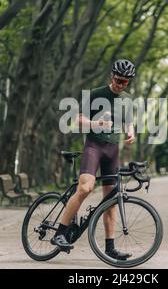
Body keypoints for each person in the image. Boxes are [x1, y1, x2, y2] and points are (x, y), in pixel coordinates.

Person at [51, 59, 136, 260]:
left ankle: (110, 247)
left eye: (124, 82)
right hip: (94, 146)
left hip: (113, 150)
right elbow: (76, 120)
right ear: (111, 76)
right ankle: (60, 233)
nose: (120, 85)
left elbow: (128, 122)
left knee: (111, 201)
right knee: (85, 188)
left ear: (129, 82)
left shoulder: (128, 99)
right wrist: (95, 122)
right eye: (118, 80)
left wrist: (131, 133)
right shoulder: (96, 94)